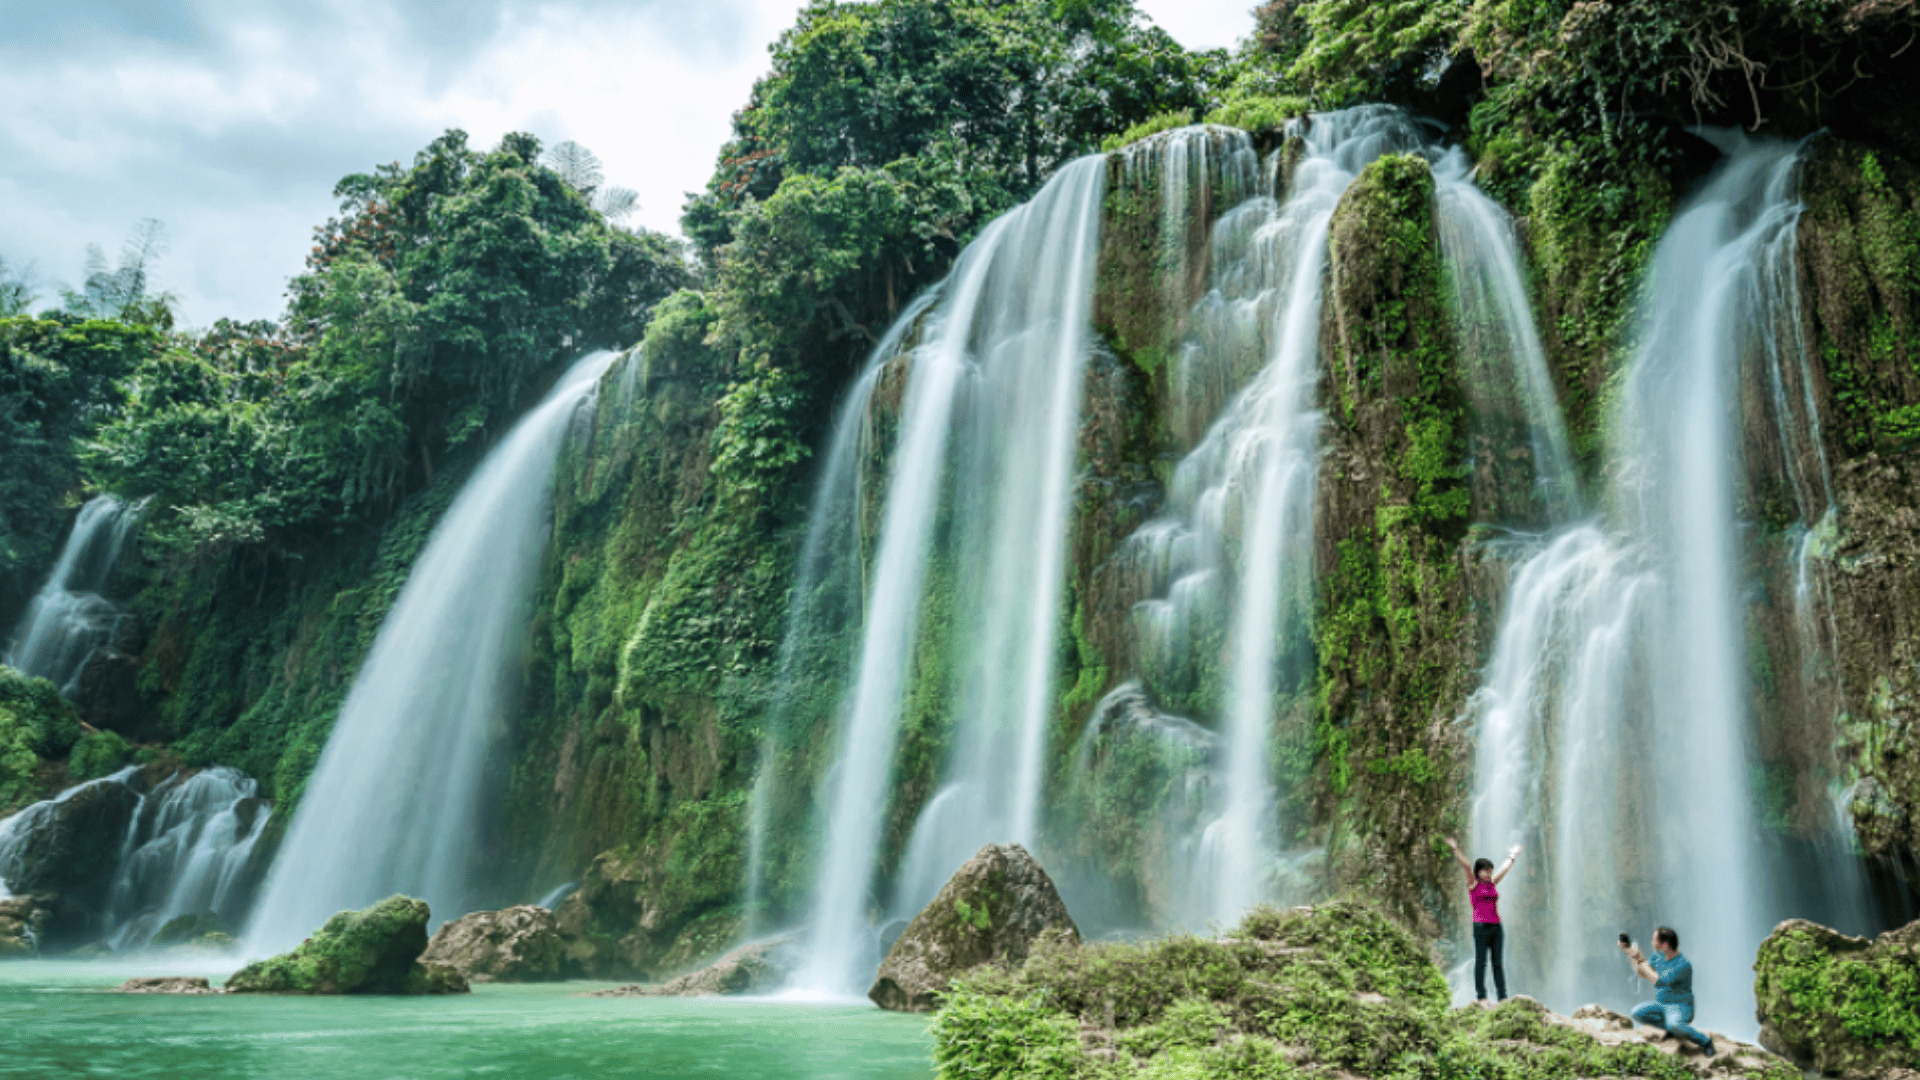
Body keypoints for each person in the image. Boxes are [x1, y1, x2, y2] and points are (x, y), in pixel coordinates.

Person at [1619, 926, 1716, 1057]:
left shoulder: (1683, 965)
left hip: (1681, 1006)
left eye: (1654, 940)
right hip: (1662, 1005)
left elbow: (1657, 981)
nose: (1651, 942)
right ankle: (1673, 1030)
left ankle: (1706, 1042)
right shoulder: (1658, 956)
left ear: (1664, 944)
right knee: (1636, 1013)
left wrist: (1641, 961)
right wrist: (1630, 954)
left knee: (1674, 1024)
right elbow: (1643, 972)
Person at [1444, 836, 1519, 1003]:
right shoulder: (1473, 885)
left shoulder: (1492, 883)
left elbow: (1504, 870)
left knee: (1497, 962)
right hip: (1480, 926)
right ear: (1479, 871)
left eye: (1490, 870)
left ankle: (1502, 997)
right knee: (1481, 962)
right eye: (1485, 870)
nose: (1489, 873)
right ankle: (1481, 997)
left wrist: (1512, 856)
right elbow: (1467, 866)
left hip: (1496, 926)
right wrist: (1455, 849)